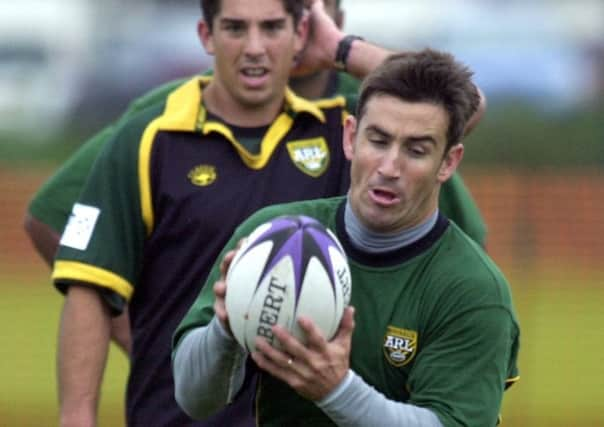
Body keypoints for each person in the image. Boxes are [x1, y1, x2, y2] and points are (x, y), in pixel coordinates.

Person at [49, 0, 406, 425]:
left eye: (273, 28)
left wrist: (343, 50)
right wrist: (76, 417)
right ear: (206, 35)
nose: (254, 47)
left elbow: (456, 104)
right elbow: (89, 286)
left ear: (301, 33)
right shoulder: (148, 139)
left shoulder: (340, 134)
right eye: (235, 28)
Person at [173, 49, 520, 426]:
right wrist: (225, 329)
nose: (389, 167)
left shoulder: (472, 290)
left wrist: (336, 391)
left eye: (416, 150)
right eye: (378, 141)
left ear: (448, 162)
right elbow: (194, 399)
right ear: (351, 137)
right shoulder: (271, 237)